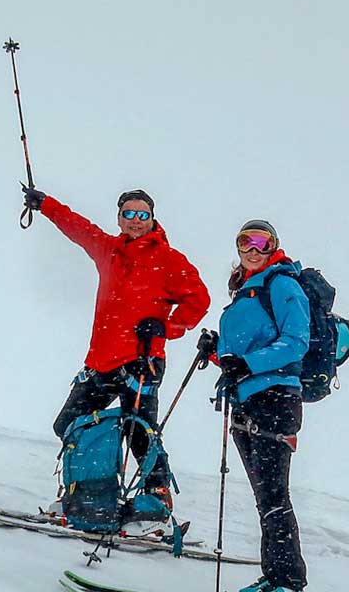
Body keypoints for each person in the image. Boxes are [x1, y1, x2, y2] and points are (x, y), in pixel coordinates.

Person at [24, 184, 210, 510]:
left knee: (140, 432)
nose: (136, 220)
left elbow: (199, 301)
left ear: (153, 219)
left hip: (142, 361)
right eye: (129, 214)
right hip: (101, 360)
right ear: (120, 218)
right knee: (69, 423)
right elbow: (79, 228)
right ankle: (89, 492)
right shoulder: (109, 249)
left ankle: (157, 500)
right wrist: (45, 204)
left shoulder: (168, 259)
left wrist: (166, 327)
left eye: (143, 215)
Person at [202, 219, 311, 592]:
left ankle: (289, 589)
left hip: (275, 400)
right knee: (265, 498)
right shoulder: (246, 291)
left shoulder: (281, 284)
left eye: (261, 240)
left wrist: (247, 362)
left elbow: (295, 342)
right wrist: (217, 351)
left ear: (274, 245)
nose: (252, 246)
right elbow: (241, 361)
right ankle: (276, 576)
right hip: (248, 400)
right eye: (245, 240)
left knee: (273, 496)